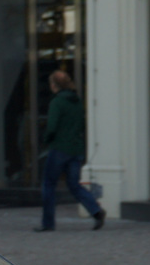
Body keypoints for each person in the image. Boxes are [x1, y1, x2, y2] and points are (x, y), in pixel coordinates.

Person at [35, 70, 104, 232]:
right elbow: (81, 124)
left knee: (49, 184)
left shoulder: (57, 102)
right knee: (74, 184)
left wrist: (46, 139)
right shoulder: (77, 101)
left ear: (54, 85)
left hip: (59, 147)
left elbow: (52, 126)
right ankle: (96, 211)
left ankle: (48, 223)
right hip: (75, 147)